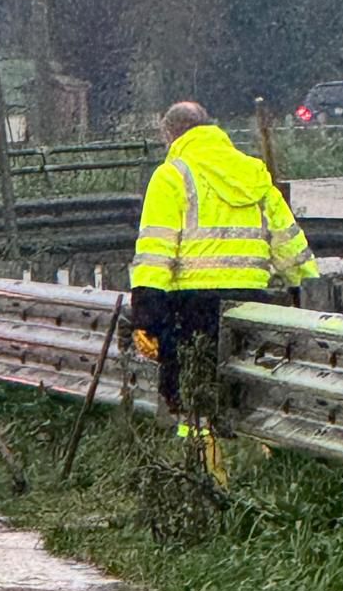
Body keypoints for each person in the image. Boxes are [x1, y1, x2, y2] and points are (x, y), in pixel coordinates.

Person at [130, 100, 318, 427]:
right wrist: (310, 296)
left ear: (169, 135)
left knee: (193, 400)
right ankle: (243, 460)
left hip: (190, 309)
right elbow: (289, 245)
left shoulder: (171, 176)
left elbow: (155, 255)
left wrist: (145, 317)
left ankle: (203, 467)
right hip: (249, 305)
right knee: (244, 398)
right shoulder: (253, 173)